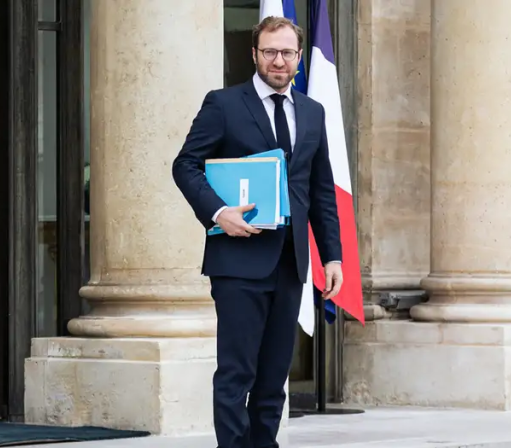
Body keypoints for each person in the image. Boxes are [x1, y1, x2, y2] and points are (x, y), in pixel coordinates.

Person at [172, 16, 344, 448]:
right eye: (270, 51)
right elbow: (185, 165)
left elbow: (320, 190)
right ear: (254, 55)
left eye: (287, 52)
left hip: (290, 263)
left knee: (273, 380)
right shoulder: (224, 104)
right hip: (238, 262)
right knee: (236, 375)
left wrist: (333, 256)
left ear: (299, 58)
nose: (278, 60)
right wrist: (218, 212)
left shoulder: (312, 111)